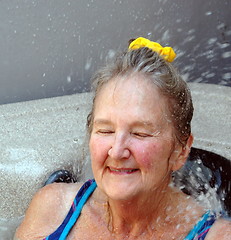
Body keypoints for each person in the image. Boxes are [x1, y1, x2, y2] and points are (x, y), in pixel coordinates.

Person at [14, 37, 230, 240]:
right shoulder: (53, 209)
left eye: (140, 133)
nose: (117, 151)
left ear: (180, 151)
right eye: (105, 131)